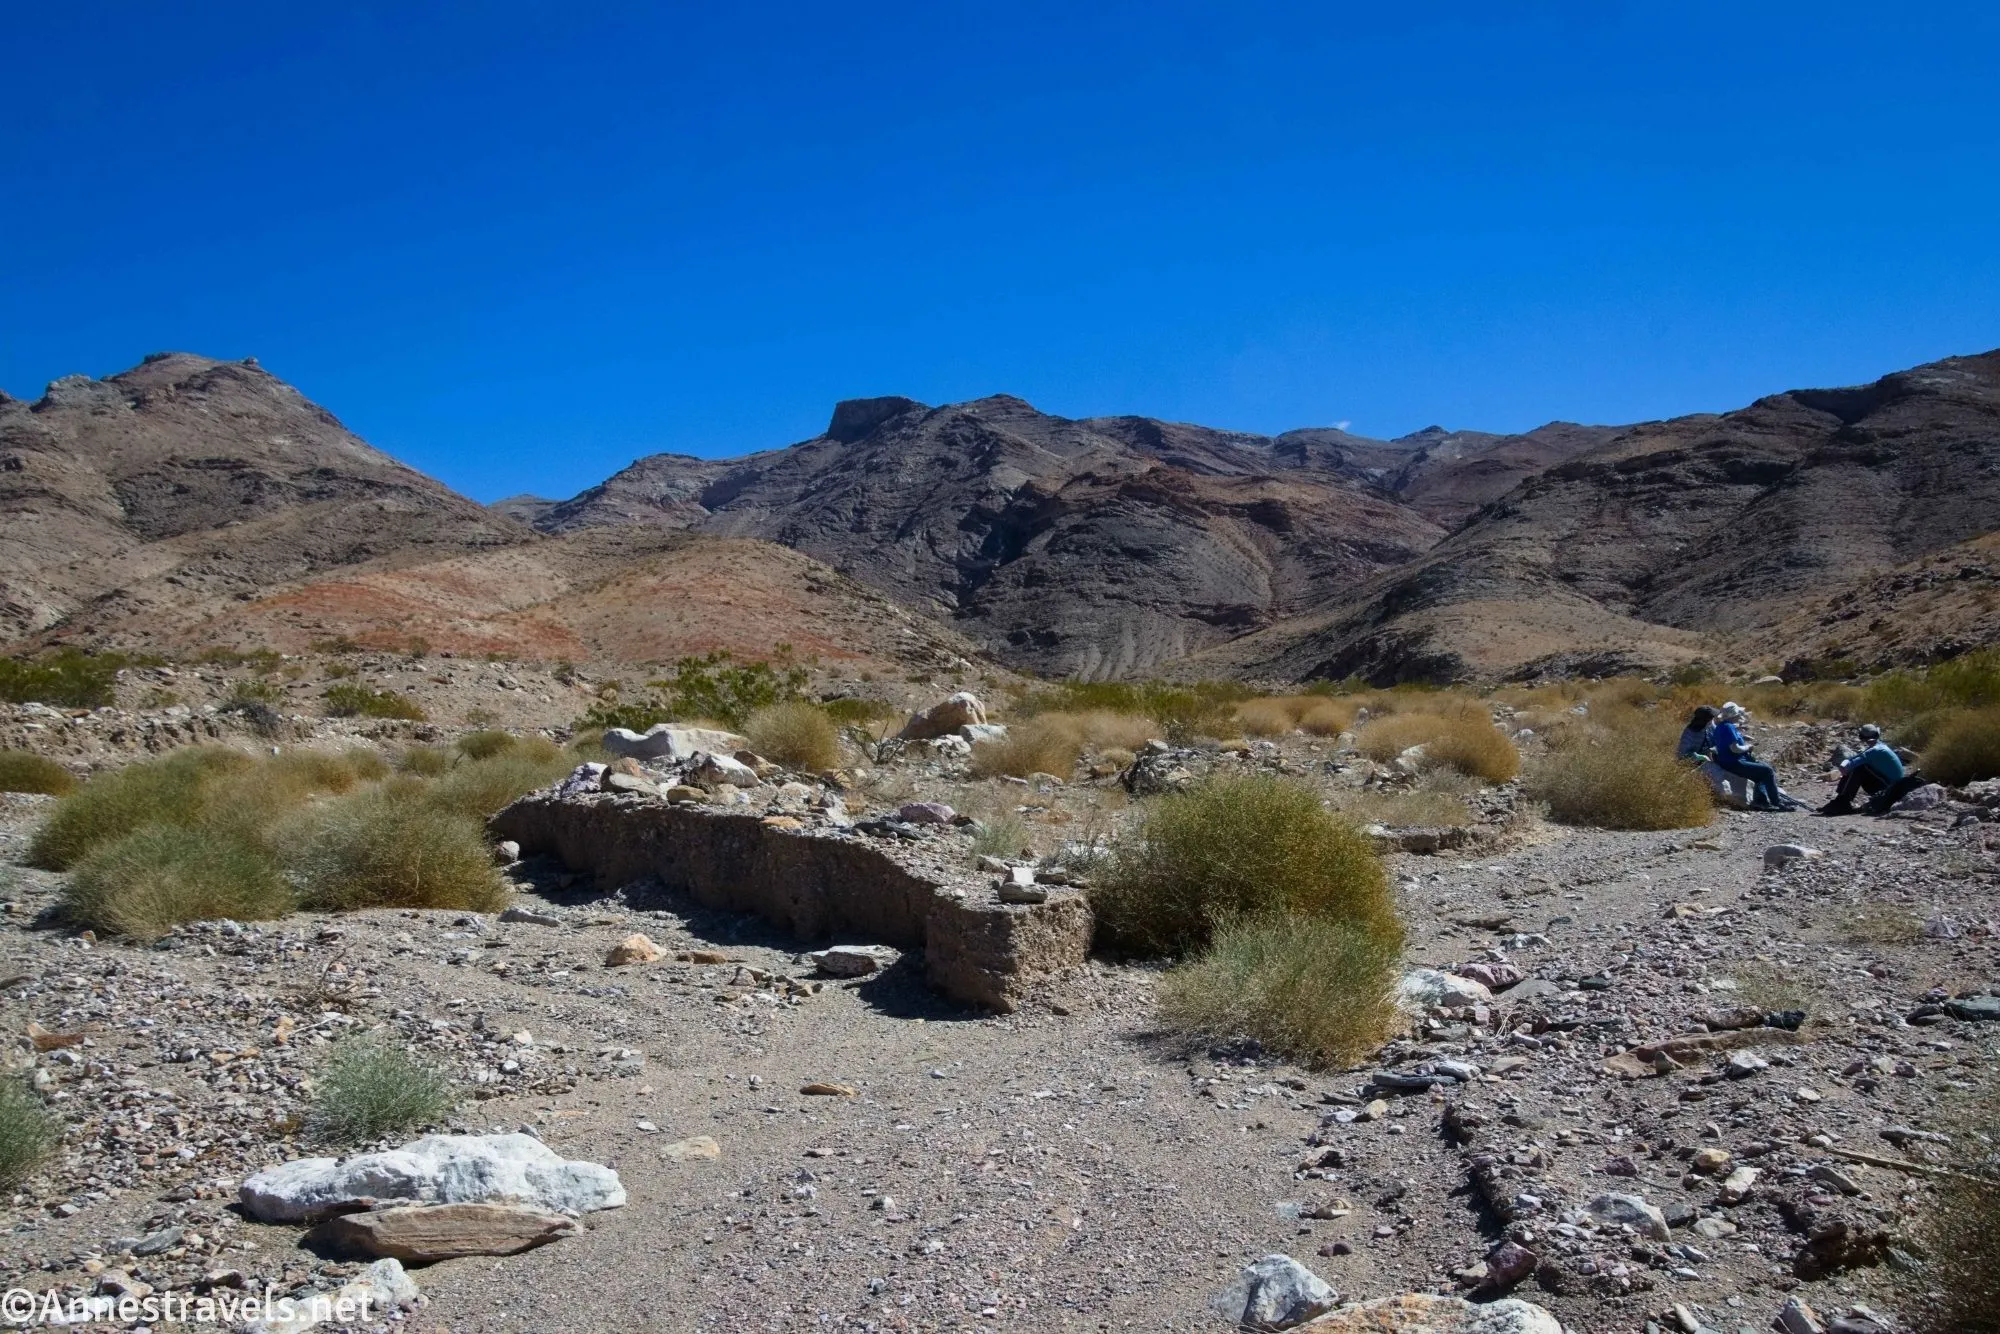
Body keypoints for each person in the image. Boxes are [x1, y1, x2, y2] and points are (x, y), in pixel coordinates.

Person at [1708, 701, 1786, 810]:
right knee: (1767, 771)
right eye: (1739, 713)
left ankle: (1761, 801)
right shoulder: (1729, 727)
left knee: (1762, 772)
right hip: (1735, 762)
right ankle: (1776, 802)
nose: (1740, 715)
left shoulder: (1720, 726)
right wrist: (1748, 747)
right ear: (1734, 715)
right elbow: (1734, 749)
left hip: (1726, 761)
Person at [1818, 723, 1902, 815]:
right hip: (1892, 787)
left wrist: (1844, 768)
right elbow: (1853, 759)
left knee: (1860, 768)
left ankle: (1842, 802)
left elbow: (1849, 765)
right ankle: (1840, 801)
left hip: (1889, 789)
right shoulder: (1878, 747)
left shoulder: (1875, 750)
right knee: (1861, 767)